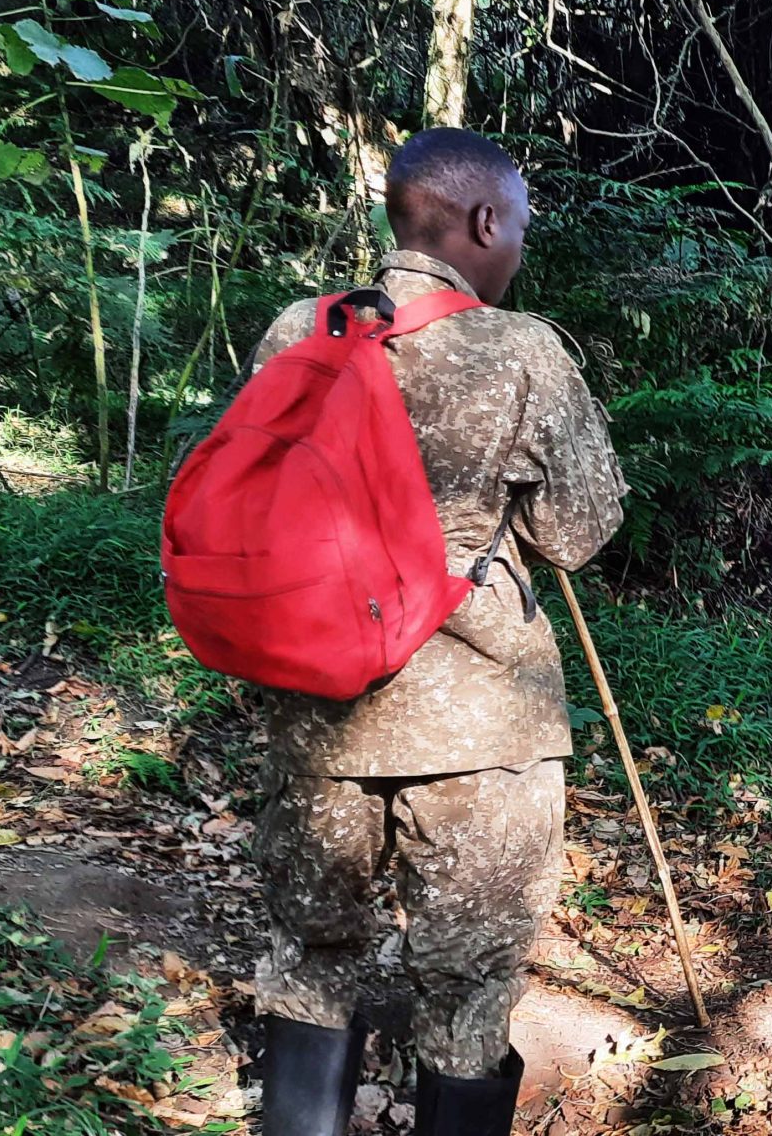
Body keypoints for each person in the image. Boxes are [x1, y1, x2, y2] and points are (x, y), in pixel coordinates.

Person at [245, 129, 627, 1136]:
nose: (520, 250)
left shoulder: (300, 329)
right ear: (484, 221)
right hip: (477, 734)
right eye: (520, 228)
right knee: (466, 990)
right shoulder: (522, 352)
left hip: (314, 710)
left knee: (309, 960)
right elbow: (577, 534)